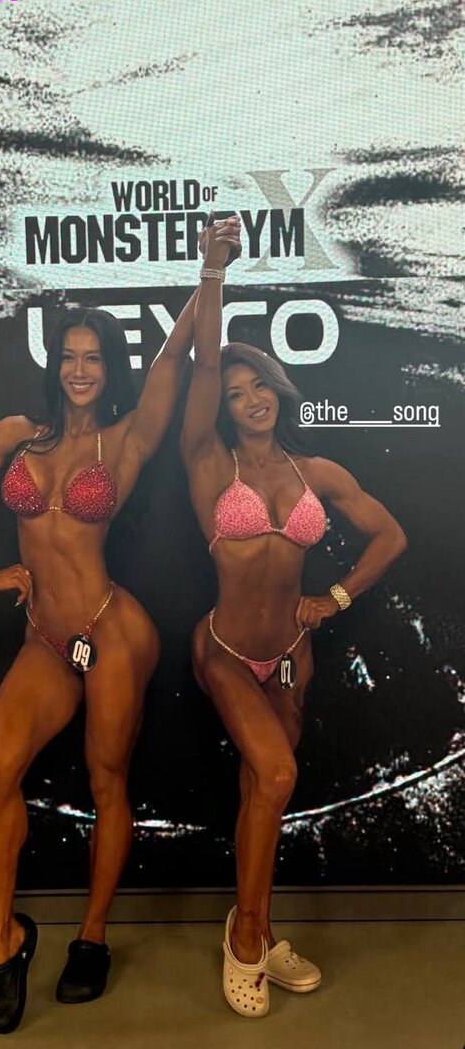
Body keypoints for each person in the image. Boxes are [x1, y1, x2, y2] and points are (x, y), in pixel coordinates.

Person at [0, 226, 241, 1035]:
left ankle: (93, 936)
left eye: (93, 358)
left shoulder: (126, 439)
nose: (79, 369)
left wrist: (210, 271)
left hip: (109, 631)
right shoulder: (17, 437)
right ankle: (2, 945)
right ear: (54, 363)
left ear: (108, 368)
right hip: (45, 636)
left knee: (107, 781)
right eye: (68, 355)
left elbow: (176, 360)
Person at [180, 218, 407, 1017]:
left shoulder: (317, 472)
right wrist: (213, 271)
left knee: (262, 792)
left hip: (289, 657)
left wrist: (335, 598)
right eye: (236, 394)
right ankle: (246, 939)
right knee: (278, 776)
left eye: (260, 387)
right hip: (224, 651)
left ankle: (261, 923)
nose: (250, 400)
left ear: (279, 390)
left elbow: (391, 536)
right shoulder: (210, 463)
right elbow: (206, 362)